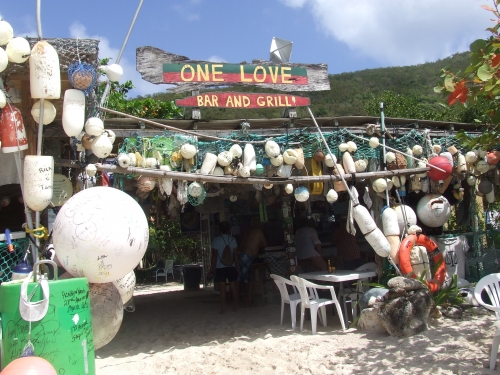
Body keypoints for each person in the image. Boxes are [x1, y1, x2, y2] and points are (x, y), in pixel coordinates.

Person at [208, 221, 240, 313]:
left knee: (222, 288)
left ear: (220, 230)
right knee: (233, 286)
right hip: (231, 266)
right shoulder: (233, 240)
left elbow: (214, 255)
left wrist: (211, 268)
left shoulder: (216, 240)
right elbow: (236, 255)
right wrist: (237, 267)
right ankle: (235, 307)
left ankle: (223, 308)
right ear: (229, 230)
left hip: (220, 267)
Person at [238, 216, 268, 284]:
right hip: (247, 256)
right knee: (245, 279)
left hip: (240, 255)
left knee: (241, 278)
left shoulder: (248, 230)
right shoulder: (259, 231)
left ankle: (244, 292)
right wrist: (259, 245)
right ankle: (249, 292)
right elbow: (265, 244)